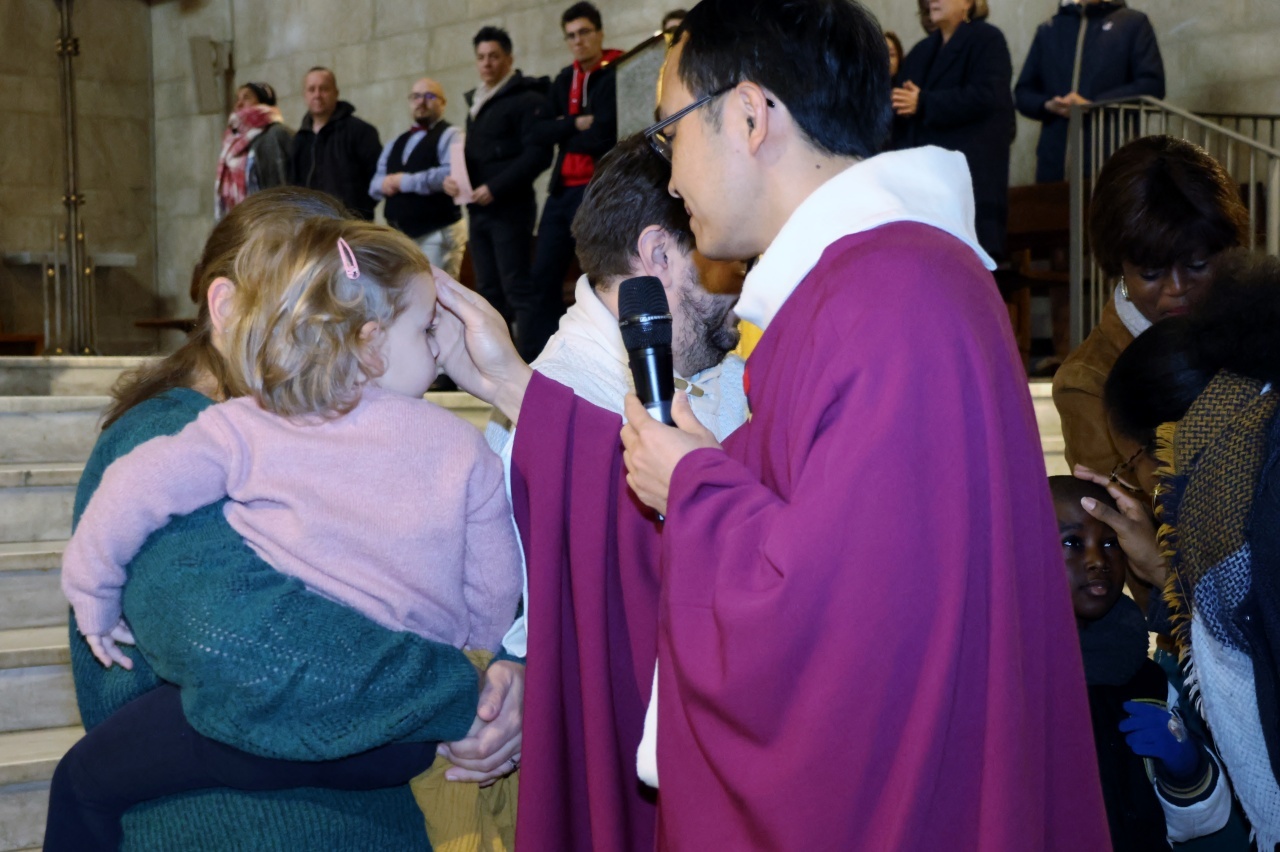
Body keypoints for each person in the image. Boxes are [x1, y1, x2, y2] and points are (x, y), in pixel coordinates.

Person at [431, 0, 1110, 847]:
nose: (673, 179)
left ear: (751, 116)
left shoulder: (884, 299)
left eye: (671, 131)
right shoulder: (872, 283)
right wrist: (521, 392)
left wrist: (691, 486)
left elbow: (830, 623)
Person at [49, 188, 524, 851]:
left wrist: (508, 675)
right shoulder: (175, 432)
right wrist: (467, 684)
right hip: (248, 814)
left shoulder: (301, 426)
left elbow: (504, 583)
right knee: (81, 782)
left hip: (359, 781)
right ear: (225, 308)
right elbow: (245, 649)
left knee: (79, 784)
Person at [481, 134, 749, 850]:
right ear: (657, 253)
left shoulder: (730, 368)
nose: (745, 283)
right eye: (725, 256)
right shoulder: (551, 414)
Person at [1102, 252, 1280, 848]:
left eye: (1134, 462)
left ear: (1170, 439)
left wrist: (1165, 571)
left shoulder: (1231, 510)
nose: (1141, 484)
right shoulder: (1255, 444)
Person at [1050, 476, 1243, 851]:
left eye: (1110, 543)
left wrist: (1186, 769)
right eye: (1072, 542)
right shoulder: (1005, 677)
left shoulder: (1144, 675)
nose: (1097, 561)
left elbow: (1191, 824)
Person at [1052, 135, 1248, 486]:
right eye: (1151, 274)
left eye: (1198, 265)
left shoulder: (1259, 331)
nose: (1177, 288)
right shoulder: (1088, 381)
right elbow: (1119, 511)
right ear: (1119, 267)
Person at [444, 27, 552, 362]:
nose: (487, 63)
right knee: (488, 290)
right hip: (478, 210)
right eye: (481, 57)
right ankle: (499, 363)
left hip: (510, 209)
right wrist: (456, 182)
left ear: (509, 59)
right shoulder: (477, 102)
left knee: (517, 287)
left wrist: (495, 187)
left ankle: (533, 364)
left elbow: (538, 156)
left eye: (494, 56)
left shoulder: (527, 99)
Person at [524, 2, 624, 361]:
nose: (578, 41)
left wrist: (564, 130)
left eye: (584, 32)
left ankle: (601, 357)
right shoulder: (565, 78)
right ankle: (546, 358)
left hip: (595, 189)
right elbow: (538, 131)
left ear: (599, 33)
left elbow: (605, 134)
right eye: (571, 36)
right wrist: (575, 123)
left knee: (598, 276)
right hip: (561, 190)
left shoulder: (616, 70)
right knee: (542, 276)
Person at [892, 0, 1014, 261]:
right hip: (925, 181)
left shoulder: (987, 39)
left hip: (971, 176)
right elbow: (901, 104)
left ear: (968, 2)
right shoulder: (922, 50)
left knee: (967, 263)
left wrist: (924, 103)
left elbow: (988, 97)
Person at [1015, 0, 1165, 183]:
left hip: (1109, 159)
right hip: (1053, 164)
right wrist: (1047, 105)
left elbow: (1152, 84)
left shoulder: (1133, 23)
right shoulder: (1049, 28)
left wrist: (1094, 104)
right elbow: (1023, 92)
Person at [370, 78, 468, 280]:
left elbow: (450, 173)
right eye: (416, 96)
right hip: (400, 236)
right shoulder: (396, 141)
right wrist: (385, 184)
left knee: (437, 290)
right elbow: (374, 185)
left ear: (443, 103)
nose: (421, 102)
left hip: (437, 232)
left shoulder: (452, 134)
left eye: (429, 96)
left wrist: (403, 182)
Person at [289, 67, 383, 220]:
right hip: (311, 223)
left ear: (336, 93)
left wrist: (358, 211)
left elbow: (377, 178)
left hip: (351, 223)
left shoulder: (360, 131)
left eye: (324, 89)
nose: (317, 95)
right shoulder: (300, 139)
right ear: (305, 95)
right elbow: (293, 185)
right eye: (311, 89)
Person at [214, 82, 292, 219]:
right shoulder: (231, 141)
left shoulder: (277, 134)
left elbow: (285, 183)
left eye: (246, 97)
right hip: (242, 221)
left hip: (270, 218)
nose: (239, 104)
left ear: (263, 102)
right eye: (238, 99)